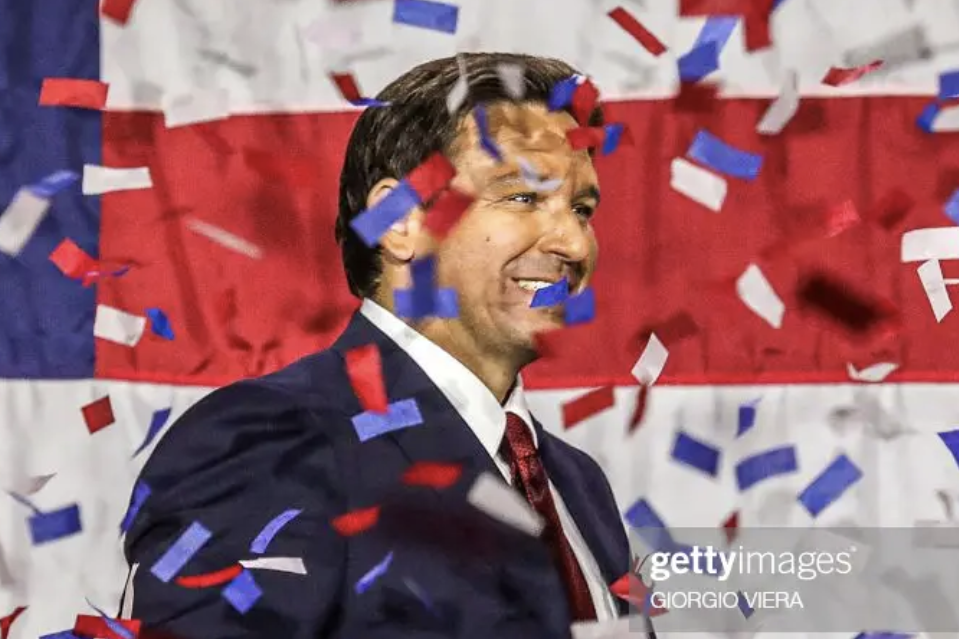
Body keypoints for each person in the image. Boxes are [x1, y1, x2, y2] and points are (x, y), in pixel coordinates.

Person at [119, 53, 644, 638]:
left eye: (582, 209)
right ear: (399, 221)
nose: (574, 243)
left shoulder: (577, 483)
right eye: (523, 197)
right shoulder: (269, 442)